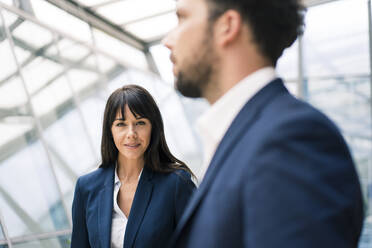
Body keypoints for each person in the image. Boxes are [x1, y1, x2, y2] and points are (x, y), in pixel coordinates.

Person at [162, 0, 364, 247]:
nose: (168, 40)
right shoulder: (243, 137)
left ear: (227, 26)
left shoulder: (292, 140)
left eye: (182, 18)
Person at [70, 85, 196, 248]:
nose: (131, 133)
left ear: (153, 128)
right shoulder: (86, 188)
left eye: (140, 123)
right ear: (110, 130)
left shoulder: (176, 183)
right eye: (121, 124)